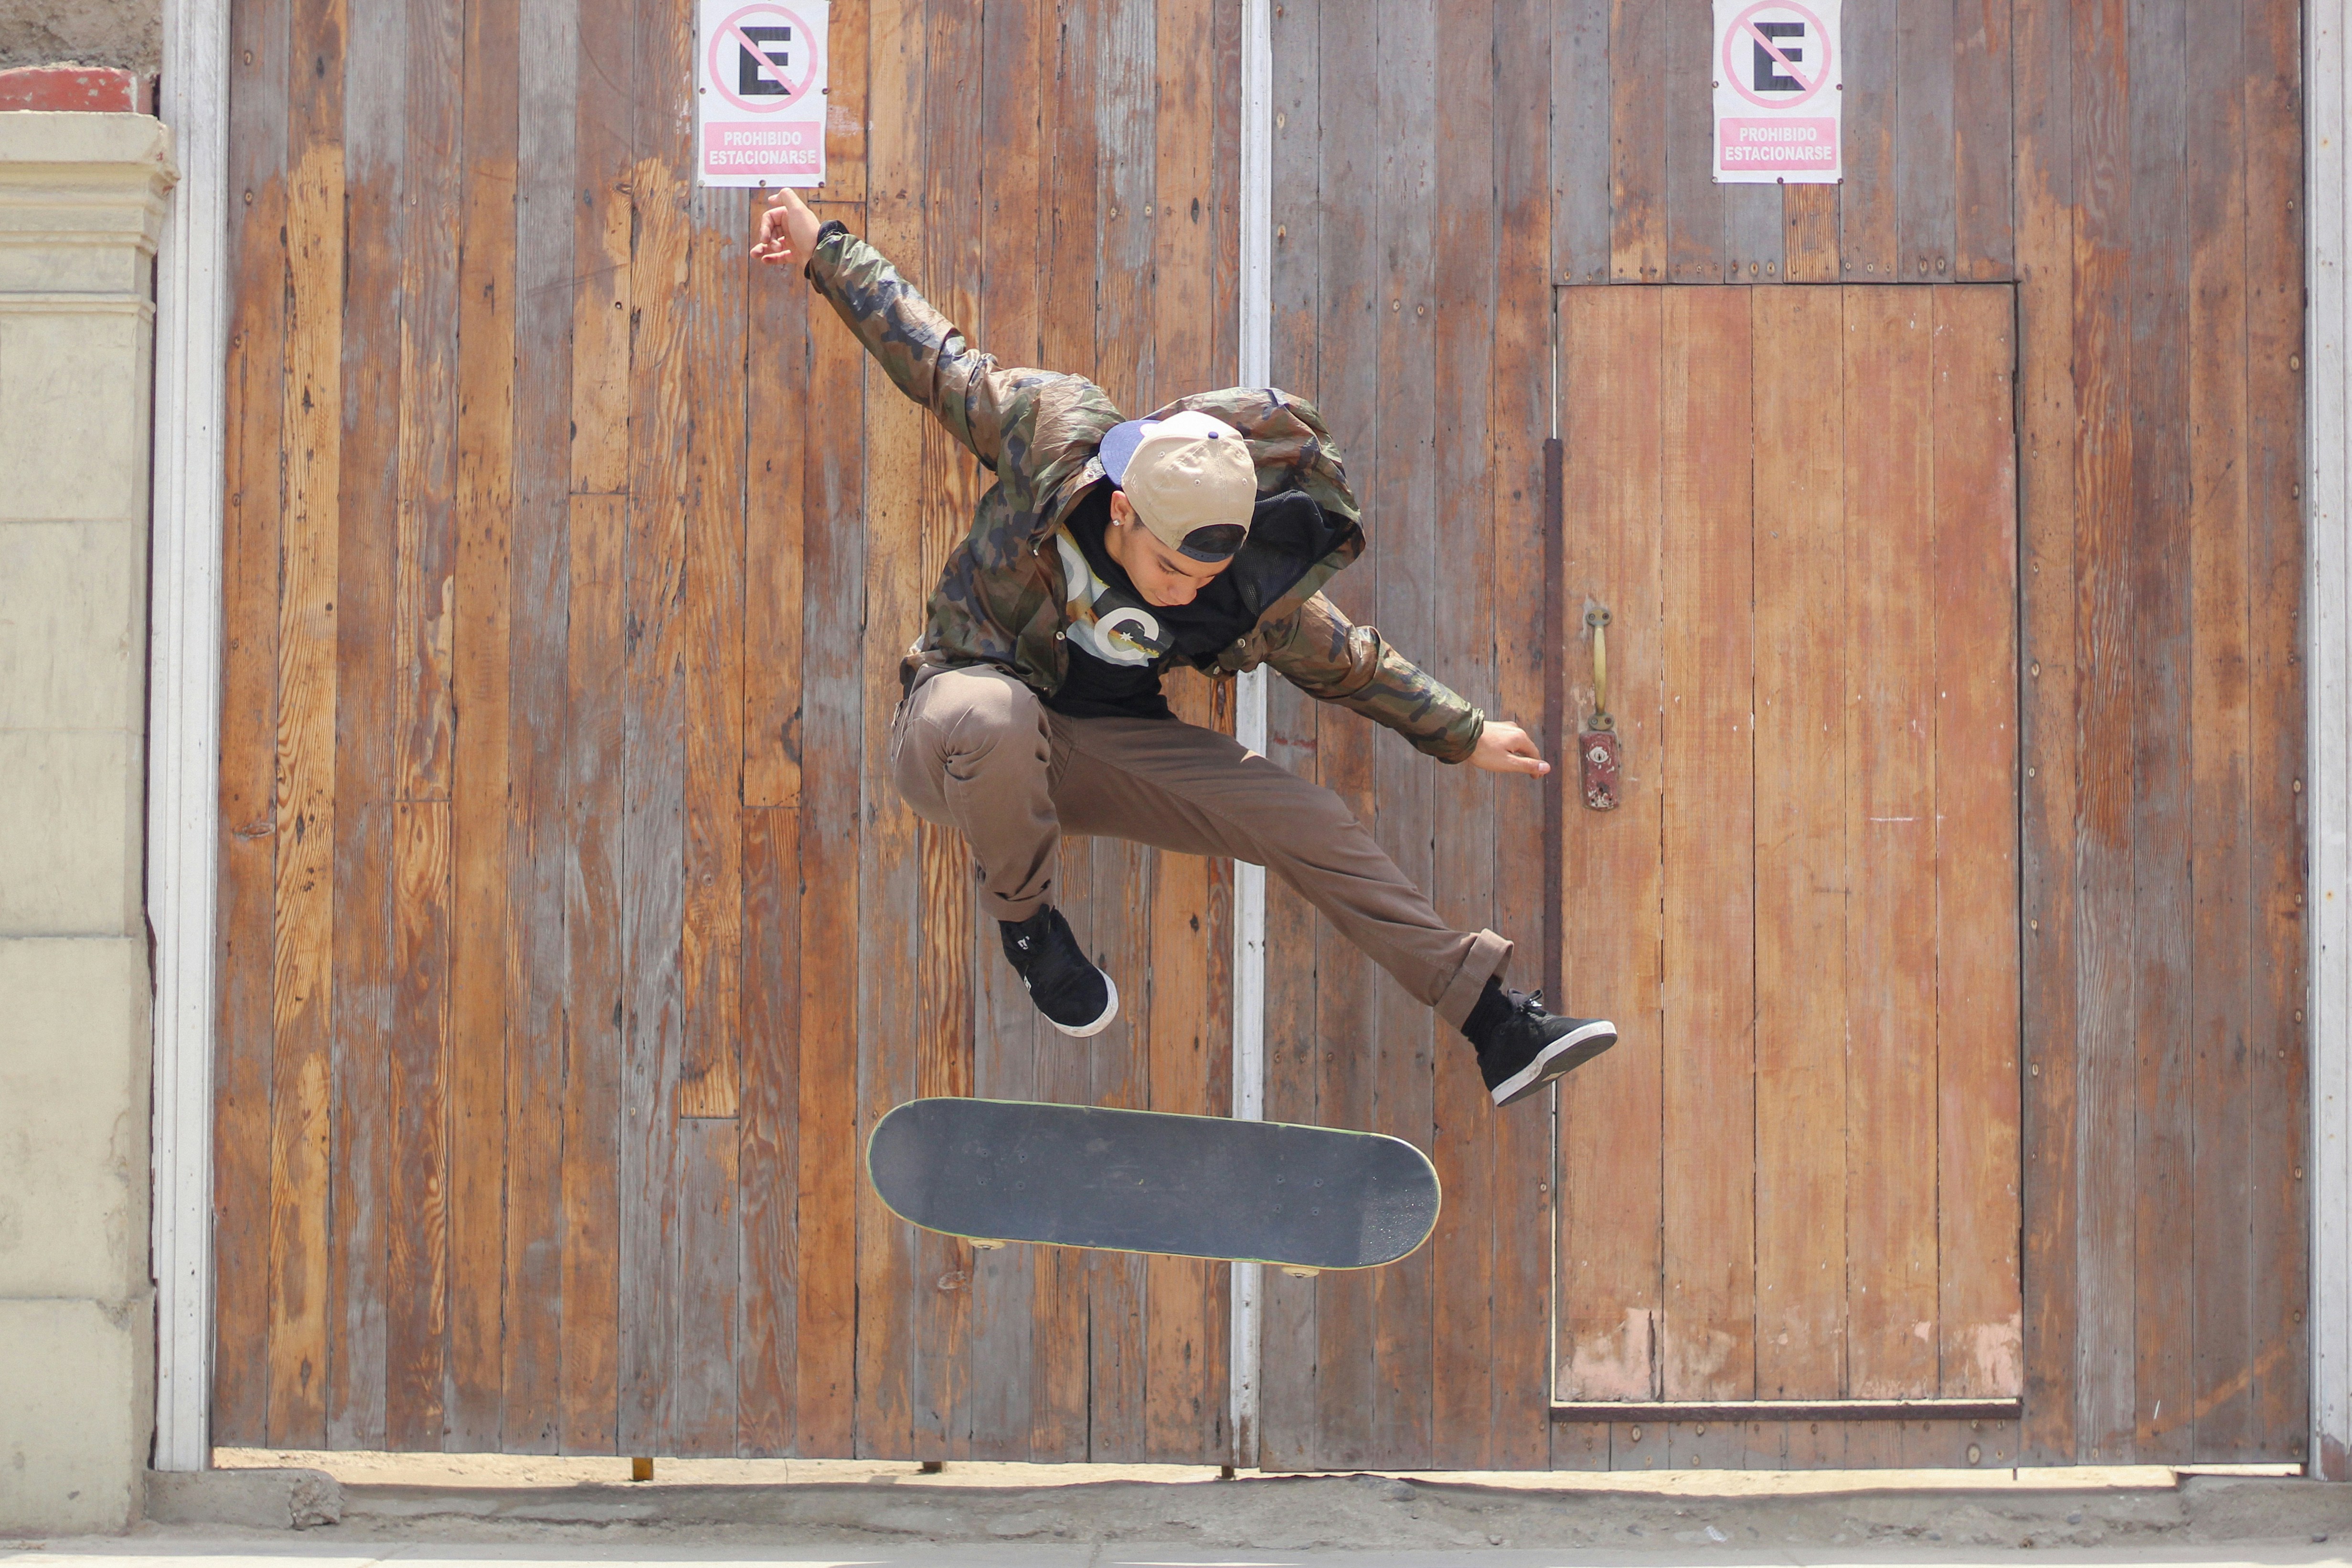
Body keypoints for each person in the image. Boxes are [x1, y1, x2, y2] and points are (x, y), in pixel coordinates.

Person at [752, 187, 1615, 1109]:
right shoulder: (1050, 434)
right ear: (1123, 510)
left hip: (1102, 749)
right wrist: (822, 249)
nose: (1185, 591)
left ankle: (1494, 1025)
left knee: (1306, 818)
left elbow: (1348, 660)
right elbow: (934, 359)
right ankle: (1029, 929)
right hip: (957, 732)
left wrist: (1464, 732)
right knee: (993, 714)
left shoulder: (1235, 589)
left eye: (1206, 575)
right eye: (1169, 568)